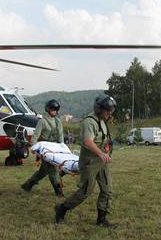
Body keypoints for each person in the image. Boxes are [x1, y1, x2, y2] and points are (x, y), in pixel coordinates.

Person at [55, 94, 116, 227]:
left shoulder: (102, 120)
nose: (109, 113)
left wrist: (106, 151)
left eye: (110, 111)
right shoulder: (90, 121)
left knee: (107, 189)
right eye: (107, 110)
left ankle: (101, 220)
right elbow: (88, 141)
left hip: (101, 162)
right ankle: (62, 208)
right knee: (85, 191)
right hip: (90, 162)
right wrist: (100, 153)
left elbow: (102, 139)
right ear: (100, 109)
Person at [21, 99, 64, 197]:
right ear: (48, 109)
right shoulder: (42, 121)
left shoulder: (58, 121)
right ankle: (59, 192)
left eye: (56, 109)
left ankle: (27, 185)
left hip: (55, 149)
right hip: (45, 150)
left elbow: (61, 137)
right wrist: (35, 149)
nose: (54, 111)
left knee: (43, 172)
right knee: (53, 171)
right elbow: (35, 137)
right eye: (52, 109)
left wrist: (62, 150)